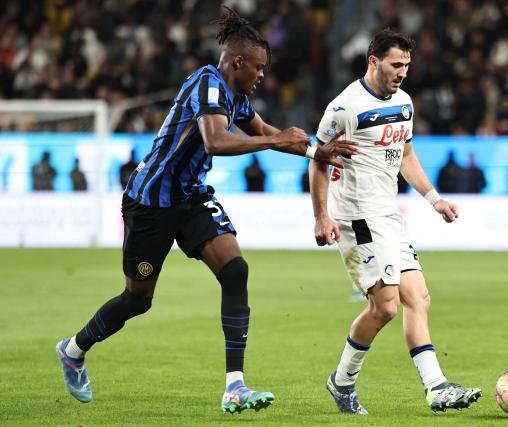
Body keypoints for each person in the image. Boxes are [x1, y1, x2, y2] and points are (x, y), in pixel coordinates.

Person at [55, 7, 356, 414]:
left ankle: (235, 386)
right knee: (138, 299)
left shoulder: (236, 97)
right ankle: (74, 350)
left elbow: (267, 133)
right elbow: (216, 141)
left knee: (235, 271)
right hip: (151, 203)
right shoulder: (207, 84)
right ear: (237, 62)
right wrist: (274, 142)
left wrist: (317, 150)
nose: (262, 75)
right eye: (259, 67)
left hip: (191, 197)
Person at [309, 28, 481, 415]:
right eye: (396, 64)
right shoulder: (344, 109)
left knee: (418, 298)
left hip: (387, 214)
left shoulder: (404, 102)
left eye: (407, 64)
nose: (403, 71)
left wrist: (434, 199)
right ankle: (342, 382)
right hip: (358, 217)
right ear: (374, 62)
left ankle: (436, 387)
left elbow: (405, 156)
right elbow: (318, 159)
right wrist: (321, 215)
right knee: (385, 307)